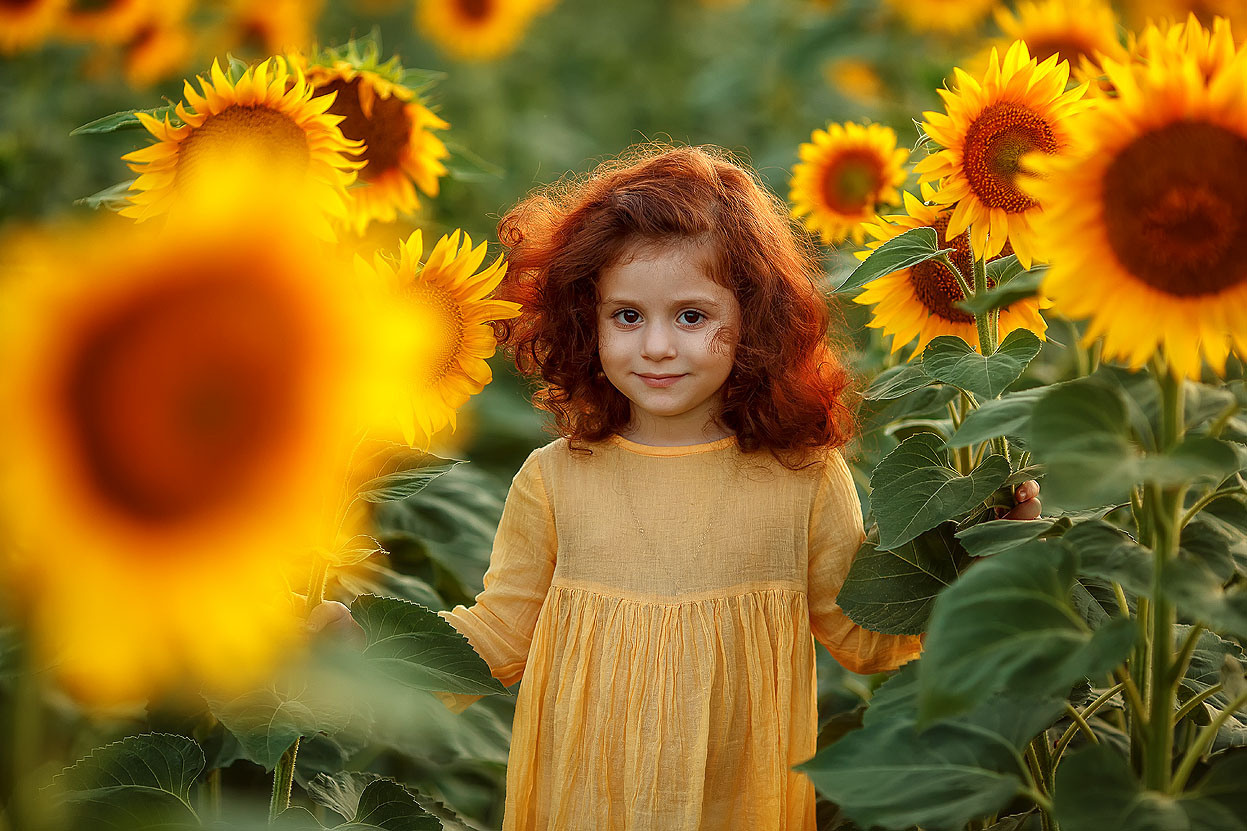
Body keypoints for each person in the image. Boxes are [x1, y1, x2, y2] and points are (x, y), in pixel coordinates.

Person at [408, 144, 1037, 829]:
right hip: (585, 804)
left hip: (738, 804)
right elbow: (498, 638)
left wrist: (976, 560)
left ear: (754, 319)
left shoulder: (802, 477)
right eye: (626, 316)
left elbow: (864, 630)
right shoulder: (556, 479)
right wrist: (363, 646)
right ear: (583, 317)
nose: (654, 346)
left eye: (690, 316)